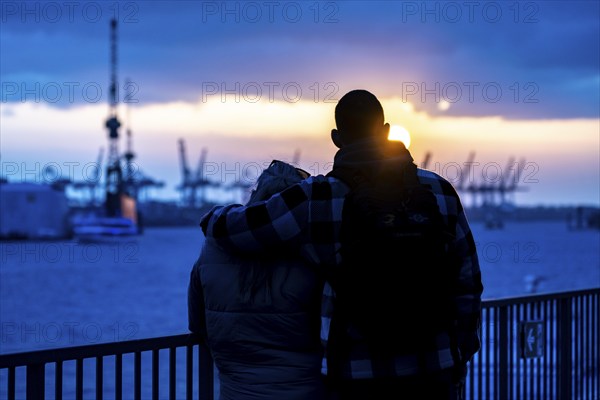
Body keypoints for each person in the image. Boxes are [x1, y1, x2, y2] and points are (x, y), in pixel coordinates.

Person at [200, 89, 483, 399]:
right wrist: (461, 351)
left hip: (357, 373)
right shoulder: (439, 190)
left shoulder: (316, 197)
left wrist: (214, 215)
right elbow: (467, 281)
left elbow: (237, 229)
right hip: (434, 367)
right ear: (386, 131)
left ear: (336, 138)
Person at [188, 160, 326, 400]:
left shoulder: (212, 247)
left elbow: (198, 324)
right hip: (304, 390)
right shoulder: (312, 249)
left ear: (255, 193)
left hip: (236, 392)